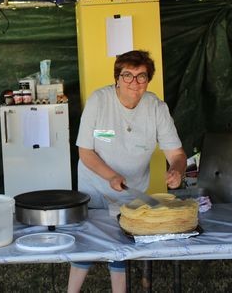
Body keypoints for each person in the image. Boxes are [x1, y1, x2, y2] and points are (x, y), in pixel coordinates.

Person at [67, 50, 186, 293]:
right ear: (117, 79)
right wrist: (110, 175)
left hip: (131, 193)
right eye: (128, 76)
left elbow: (177, 155)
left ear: (148, 80)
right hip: (95, 186)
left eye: (141, 76)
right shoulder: (99, 101)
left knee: (122, 244)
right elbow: (85, 152)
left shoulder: (156, 108)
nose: (134, 83)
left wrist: (176, 171)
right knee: (88, 243)